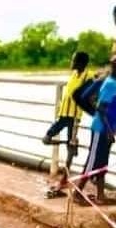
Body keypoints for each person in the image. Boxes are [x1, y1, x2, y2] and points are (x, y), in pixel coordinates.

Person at [76, 55, 116, 204]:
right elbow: (101, 108)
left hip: (107, 129)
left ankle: (100, 194)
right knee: (92, 161)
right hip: (101, 129)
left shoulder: (115, 83)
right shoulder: (111, 84)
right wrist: (109, 131)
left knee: (102, 162)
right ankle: (78, 192)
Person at [43, 51, 91, 197]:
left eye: (74, 60)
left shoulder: (87, 76)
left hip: (74, 116)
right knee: (47, 138)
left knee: (70, 145)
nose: (71, 63)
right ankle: (72, 148)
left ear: (81, 63)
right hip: (64, 114)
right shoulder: (74, 75)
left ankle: (64, 178)